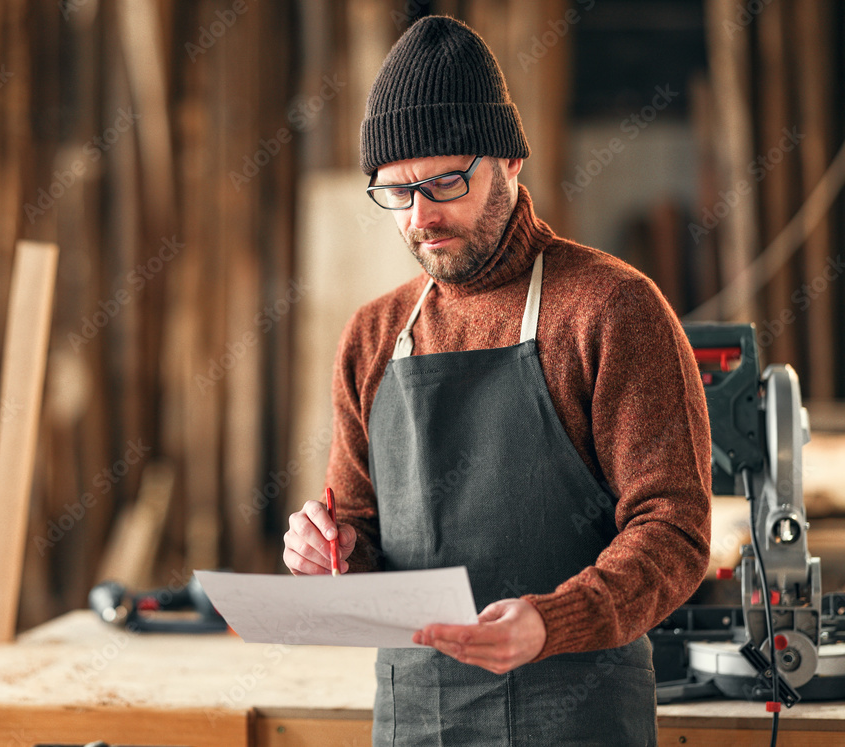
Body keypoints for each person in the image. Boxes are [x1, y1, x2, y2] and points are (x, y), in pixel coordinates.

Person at [283, 14, 711, 745]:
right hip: (416, 719)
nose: (420, 217)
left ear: (510, 162)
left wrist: (554, 620)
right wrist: (330, 551)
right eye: (395, 191)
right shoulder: (371, 337)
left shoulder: (611, 307)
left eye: (445, 181)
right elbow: (361, 533)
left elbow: (674, 529)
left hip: (576, 716)